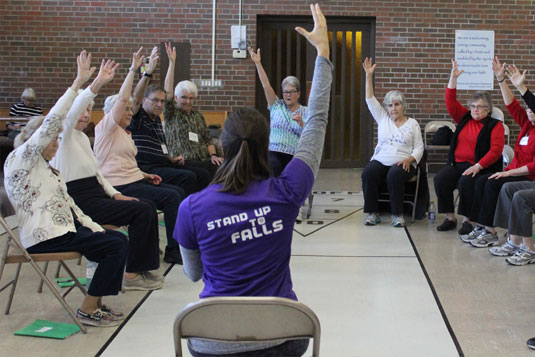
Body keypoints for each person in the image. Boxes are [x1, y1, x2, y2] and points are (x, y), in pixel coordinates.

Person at [174, 4, 330, 356]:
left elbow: (193, 274)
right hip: (279, 335)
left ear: (222, 146)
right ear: (265, 145)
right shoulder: (287, 193)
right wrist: (323, 55)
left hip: (212, 339)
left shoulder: (191, 207)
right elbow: (317, 121)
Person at [3, 51, 128, 327]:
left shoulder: (49, 170)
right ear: (38, 140)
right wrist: (80, 84)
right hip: (45, 236)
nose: (56, 145)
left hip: (64, 230)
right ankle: (88, 308)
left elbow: (72, 207)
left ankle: (95, 302)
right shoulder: (22, 159)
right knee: (113, 245)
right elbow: (55, 120)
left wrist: (94, 226)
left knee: (115, 240)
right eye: (53, 141)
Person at [50, 50, 163, 290]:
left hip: (97, 193)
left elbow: (98, 174)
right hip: (78, 200)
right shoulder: (65, 135)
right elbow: (70, 114)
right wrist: (93, 83)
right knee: (142, 211)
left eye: (89, 110)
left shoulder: (82, 138)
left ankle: (140, 268)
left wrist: (115, 194)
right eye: (81, 110)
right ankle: (132, 276)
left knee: (145, 206)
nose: (85, 114)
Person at [93, 47, 184, 265]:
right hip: (118, 186)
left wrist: (145, 176)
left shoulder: (125, 134)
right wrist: (137, 70)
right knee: (171, 197)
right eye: (125, 111)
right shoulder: (107, 128)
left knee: (178, 191)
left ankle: (176, 244)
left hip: (134, 178)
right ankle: (172, 250)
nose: (129, 113)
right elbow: (128, 98)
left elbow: (126, 163)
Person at [461, 57, 535, 248]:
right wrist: (501, 80)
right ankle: (481, 225)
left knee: (493, 183)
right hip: (515, 171)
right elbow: (511, 104)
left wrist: (522, 87)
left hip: (528, 176)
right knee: (482, 181)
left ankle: (491, 230)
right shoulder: (527, 124)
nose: (530, 113)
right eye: (528, 110)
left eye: (533, 110)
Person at [127, 45, 210, 195]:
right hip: (146, 168)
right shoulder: (139, 117)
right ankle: (188, 212)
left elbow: (168, 94)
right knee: (188, 177)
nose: (160, 105)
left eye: (162, 101)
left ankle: (201, 208)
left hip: (165, 163)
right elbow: (137, 98)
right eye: (155, 100)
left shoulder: (157, 120)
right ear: (145, 101)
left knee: (204, 172)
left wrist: (170, 159)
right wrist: (148, 72)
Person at [434, 59, 505, 233]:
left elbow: (496, 151)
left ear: (488, 109)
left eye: (480, 107)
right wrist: (453, 79)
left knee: (466, 182)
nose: (475, 110)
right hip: (459, 164)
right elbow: (450, 102)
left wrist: (478, 166)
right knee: (440, 178)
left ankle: (468, 220)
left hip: (480, 167)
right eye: (473, 106)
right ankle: (450, 218)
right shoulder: (465, 118)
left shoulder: (495, 125)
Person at [360, 58, 424, 227]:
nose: (393, 108)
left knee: (394, 174)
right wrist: (368, 76)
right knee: (368, 172)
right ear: (386, 108)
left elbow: (419, 147)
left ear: (403, 106)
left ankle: (397, 215)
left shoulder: (413, 123)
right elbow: (369, 99)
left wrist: (410, 160)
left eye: (397, 104)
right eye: (390, 105)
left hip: (404, 161)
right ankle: (373, 213)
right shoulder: (383, 118)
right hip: (382, 159)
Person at [248, 45, 308, 177]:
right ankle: (273, 196)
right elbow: (265, 85)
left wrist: (302, 124)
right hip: (275, 151)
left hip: (295, 154)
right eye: (286, 92)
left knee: (293, 173)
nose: (288, 95)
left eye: (292, 92)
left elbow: (310, 137)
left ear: (298, 94)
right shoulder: (276, 105)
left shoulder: (305, 111)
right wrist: (257, 63)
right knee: (273, 166)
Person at [163, 48, 224, 178]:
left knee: (222, 168)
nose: (188, 101)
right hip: (182, 161)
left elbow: (207, 139)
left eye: (191, 98)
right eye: (184, 97)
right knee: (204, 174)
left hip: (202, 159)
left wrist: (213, 156)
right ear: (176, 98)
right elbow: (167, 92)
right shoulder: (171, 113)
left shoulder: (198, 116)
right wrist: (172, 63)